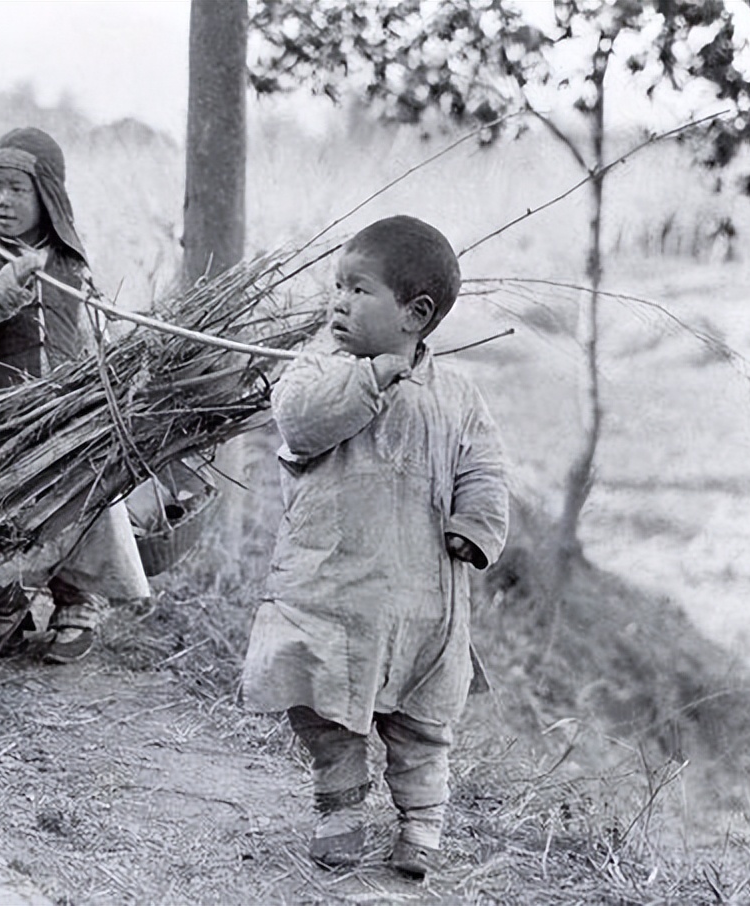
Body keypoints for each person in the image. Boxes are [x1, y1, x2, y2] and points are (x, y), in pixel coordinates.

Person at [240, 215, 509, 880]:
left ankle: (422, 825)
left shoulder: (456, 395)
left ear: (415, 314)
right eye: (336, 285)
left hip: (423, 595)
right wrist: (371, 379)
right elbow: (301, 426)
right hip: (332, 587)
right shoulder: (315, 370)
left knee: (421, 724)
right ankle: (341, 811)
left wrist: (475, 524)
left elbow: (486, 468)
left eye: (358, 290)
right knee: (323, 705)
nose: (337, 301)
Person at [0, 126, 150, 664]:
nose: (2, 201)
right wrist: (3, 288)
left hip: (60, 418)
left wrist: (118, 370)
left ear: (49, 198)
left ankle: (76, 607)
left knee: (77, 508)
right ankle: (6, 611)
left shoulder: (71, 266)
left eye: (18, 189)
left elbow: (91, 338)